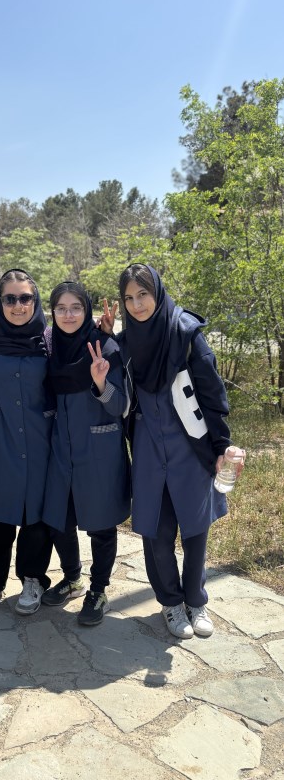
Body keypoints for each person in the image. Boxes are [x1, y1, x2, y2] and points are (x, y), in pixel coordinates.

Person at [100, 263, 245, 638]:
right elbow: (116, 399)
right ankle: (171, 603)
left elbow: (212, 395)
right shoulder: (125, 344)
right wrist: (103, 354)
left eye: (143, 294)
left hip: (190, 448)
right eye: (129, 298)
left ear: (158, 293)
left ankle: (196, 601)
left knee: (195, 530)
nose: (137, 305)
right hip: (148, 451)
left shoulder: (186, 334)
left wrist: (222, 444)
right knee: (156, 533)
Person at [42, 282, 131, 626]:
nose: (68, 315)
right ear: (52, 312)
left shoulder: (105, 347)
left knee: (101, 524)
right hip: (60, 449)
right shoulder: (51, 347)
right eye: (61, 308)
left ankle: (98, 589)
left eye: (76, 307)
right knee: (59, 520)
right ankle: (72, 577)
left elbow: (120, 406)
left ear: (86, 310)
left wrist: (100, 383)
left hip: (98, 450)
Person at [0, 269, 54, 615]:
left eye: (26, 298)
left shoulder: (49, 339)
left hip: (39, 438)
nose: (18, 306)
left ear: (36, 300)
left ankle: (32, 578)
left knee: (36, 515)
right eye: (10, 298)